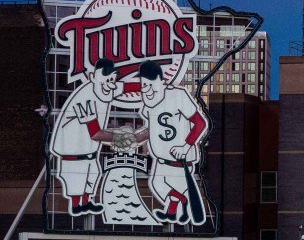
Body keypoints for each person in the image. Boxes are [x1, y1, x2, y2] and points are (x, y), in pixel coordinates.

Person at [136, 60, 209, 225]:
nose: (146, 89)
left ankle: (181, 205)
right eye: (143, 85)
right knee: (157, 184)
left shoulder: (178, 95)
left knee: (168, 186)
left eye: (150, 84)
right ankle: (175, 208)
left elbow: (200, 123)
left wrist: (186, 145)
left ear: (161, 81)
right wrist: (131, 139)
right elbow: (150, 130)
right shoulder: (149, 104)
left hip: (179, 161)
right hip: (161, 159)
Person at [48, 58, 119, 215]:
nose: (111, 84)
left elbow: (125, 87)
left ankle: (86, 203)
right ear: (93, 77)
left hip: (88, 153)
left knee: (93, 176)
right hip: (73, 154)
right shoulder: (85, 96)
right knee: (76, 184)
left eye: (112, 79)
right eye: (107, 80)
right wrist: (122, 137)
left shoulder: (102, 87)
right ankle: (76, 207)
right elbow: (94, 133)